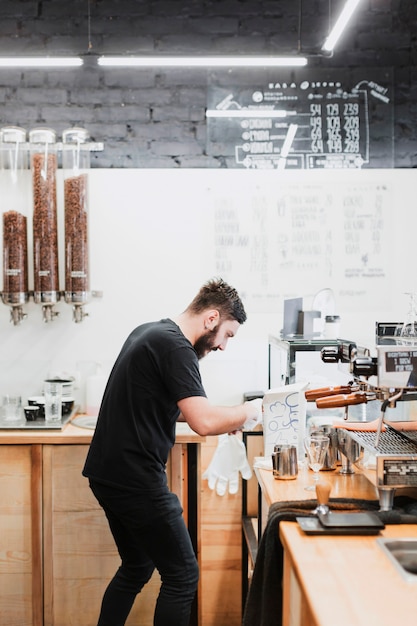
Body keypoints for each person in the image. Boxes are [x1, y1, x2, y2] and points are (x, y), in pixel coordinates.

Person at [82, 277, 262, 626]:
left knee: (136, 566)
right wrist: (250, 411)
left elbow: (174, 407)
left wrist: (226, 418)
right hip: (134, 479)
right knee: (182, 576)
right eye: (228, 334)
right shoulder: (176, 347)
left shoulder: (151, 332)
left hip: (108, 474)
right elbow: (203, 422)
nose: (224, 346)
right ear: (211, 319)